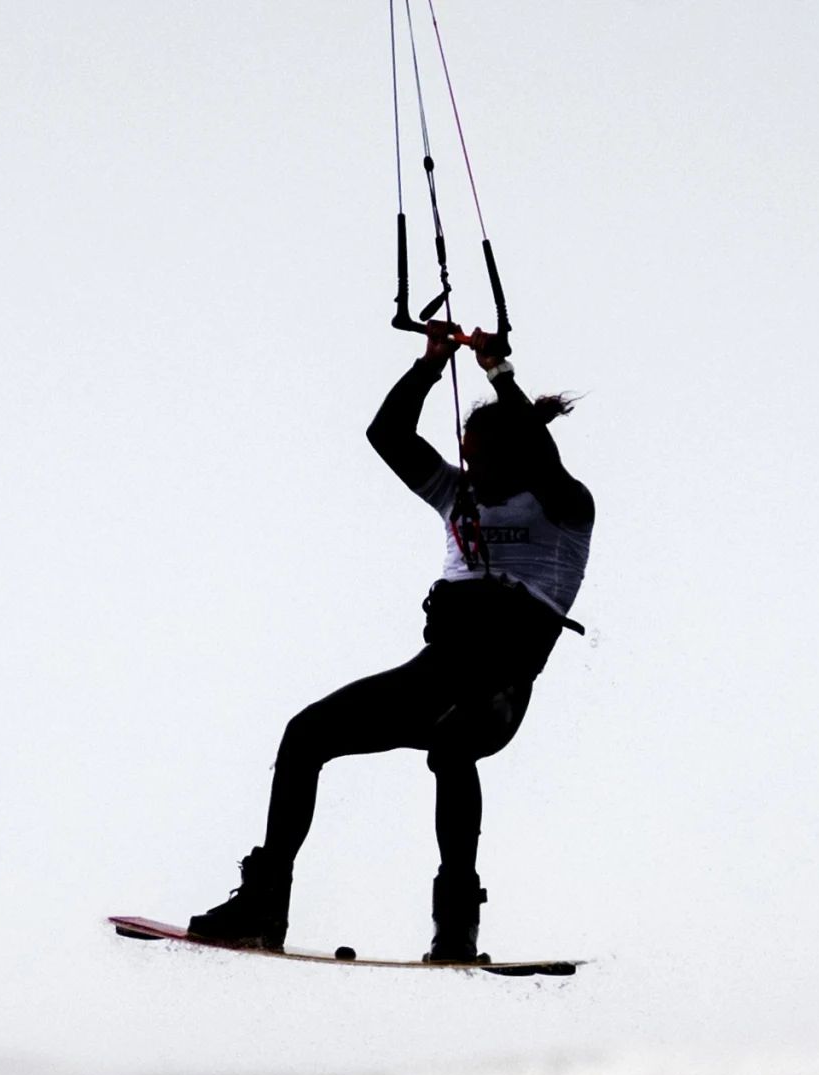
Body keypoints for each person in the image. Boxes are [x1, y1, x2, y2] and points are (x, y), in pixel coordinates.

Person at [186, 325, 592, 963]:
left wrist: (499, 374)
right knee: (305, 734)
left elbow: (541, 456)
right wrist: (430, 365)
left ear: (518, 454)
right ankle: (263, 906)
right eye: (468, 455)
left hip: (500, 688)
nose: (473, 468)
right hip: (434, 674)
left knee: (453, 748)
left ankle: (456, 925)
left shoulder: (563, 505)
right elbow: (388, 436)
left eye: (485, 458)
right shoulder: (456, 494)